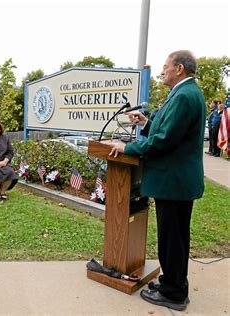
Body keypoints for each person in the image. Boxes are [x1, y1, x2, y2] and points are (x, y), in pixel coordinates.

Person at [109, 50, 206, 311]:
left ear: (180, 69)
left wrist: (127, 148)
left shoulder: (185, 95)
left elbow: (165, 141)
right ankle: (171, 283)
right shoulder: (184, 93)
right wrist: (146, 122)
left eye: (166, 67)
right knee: (173, 238)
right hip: (175, 182)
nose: (163, 71)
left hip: (173, 183)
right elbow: (166, 129)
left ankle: (174, 293)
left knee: (172, 239)